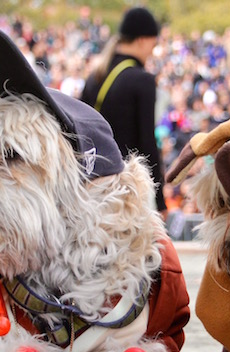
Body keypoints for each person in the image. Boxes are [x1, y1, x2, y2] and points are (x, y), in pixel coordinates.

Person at [80, 7, 166, 216]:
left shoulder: (95, 77)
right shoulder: (142, 80)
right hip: (123, 193)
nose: (151, 51)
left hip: (90, 191)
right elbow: (147, 143)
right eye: (153, 44)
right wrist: (160, 200)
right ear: (142, 40)